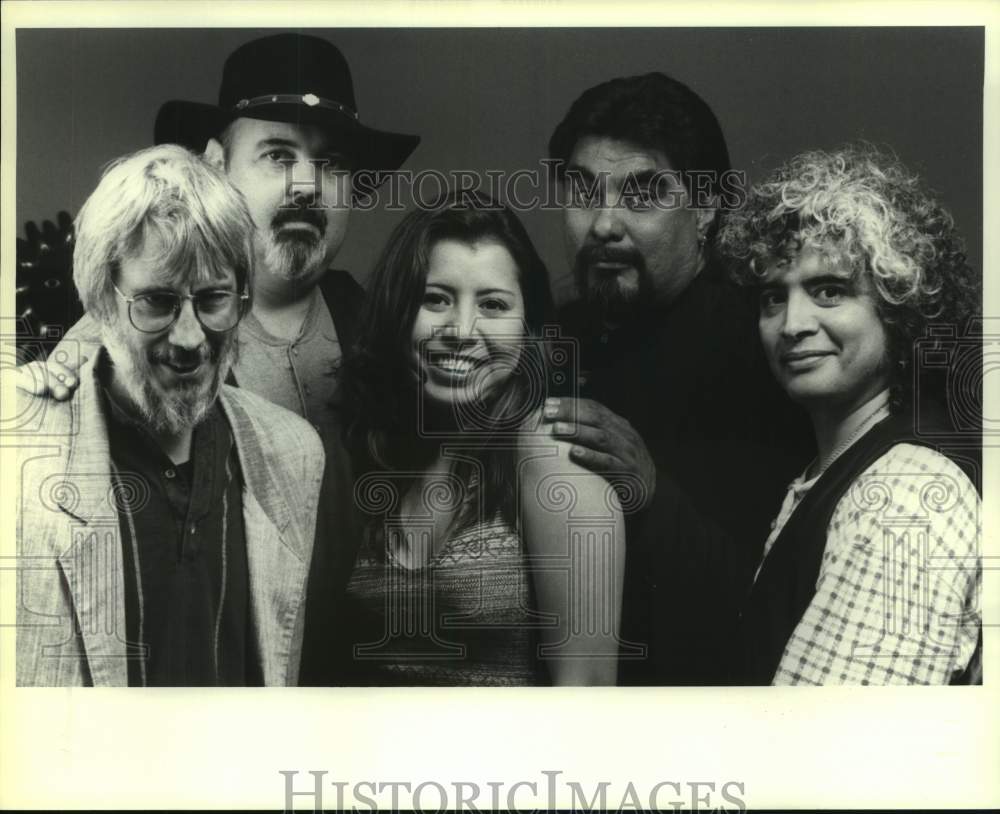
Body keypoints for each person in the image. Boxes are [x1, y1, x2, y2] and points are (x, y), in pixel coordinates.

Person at [16, 145, 325, 686]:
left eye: (213, 299)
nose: (189, 338)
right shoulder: (19, 449)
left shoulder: (294, 454)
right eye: (157, 302)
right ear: (103, 302)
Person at [542, 72, 814, 684]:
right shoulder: (554, 335)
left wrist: (650, 489)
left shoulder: (769, 351)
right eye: (584, 192)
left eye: (641, 195)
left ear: (707, 207)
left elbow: (776, 603)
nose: (604, 225)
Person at [313, 194, 626, 686]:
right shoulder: (382, 460)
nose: (461, 331)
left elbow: (587, 694)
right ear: (397, 314)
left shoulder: (553, 457)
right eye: (435, 299)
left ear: (528, 328)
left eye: (493, 305)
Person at [717, 143, 981, 684]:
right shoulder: (834, 473)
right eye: (772, 297)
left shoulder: (904, 493)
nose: (792, 324)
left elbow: (838, 749)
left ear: (897, 308)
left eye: (829, 291)